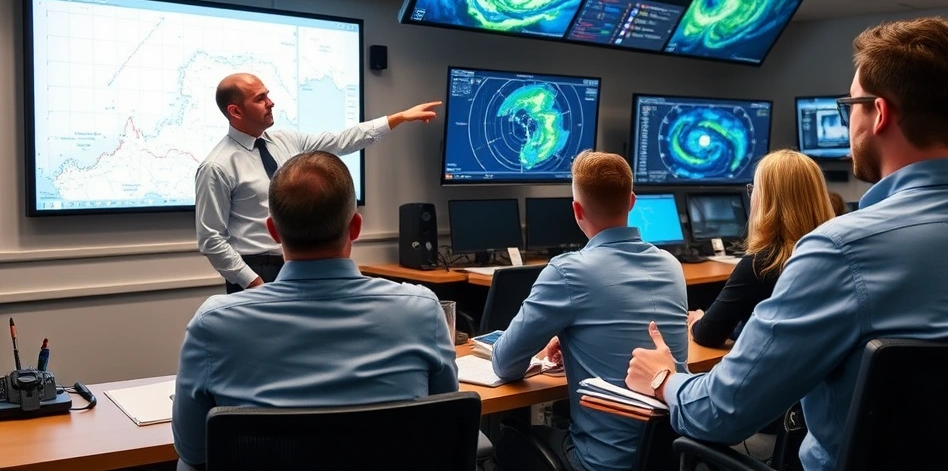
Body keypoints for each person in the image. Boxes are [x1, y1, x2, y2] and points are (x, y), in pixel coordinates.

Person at [625, 17, 948, 471]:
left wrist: (662, 378)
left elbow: (720, 414)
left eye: (848, 106)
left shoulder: (840, 251)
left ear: (878, 113)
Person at [174, 151, 458, 468]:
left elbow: (194, 449)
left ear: (273, 231)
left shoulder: (213, 323)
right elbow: (445, 427)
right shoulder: (421, 310)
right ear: (355, 227)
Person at [491, 151, 689, 471]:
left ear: (576, 210)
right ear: (632, 202)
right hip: (671, 455)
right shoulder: (671, 265)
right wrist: (571, 339)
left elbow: (505, 364)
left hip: (600, 462)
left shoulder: (567, 272)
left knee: (508, 439)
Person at [196, 72, 441, 293]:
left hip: (297, 267)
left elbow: (340, 141)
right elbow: (211, 238)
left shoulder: (286, 141)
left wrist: (398, 118)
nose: (270, 103)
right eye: (260, 99)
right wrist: (253, 281)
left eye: (268, 95)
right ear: (236, 111)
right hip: (257, 271)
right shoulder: (217, 166)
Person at [689, 150, 835, 348]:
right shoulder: (835, 257)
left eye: (753, 189)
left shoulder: (762, 264)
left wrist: (697, 321)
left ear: (767, 199)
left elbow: (708, 335)